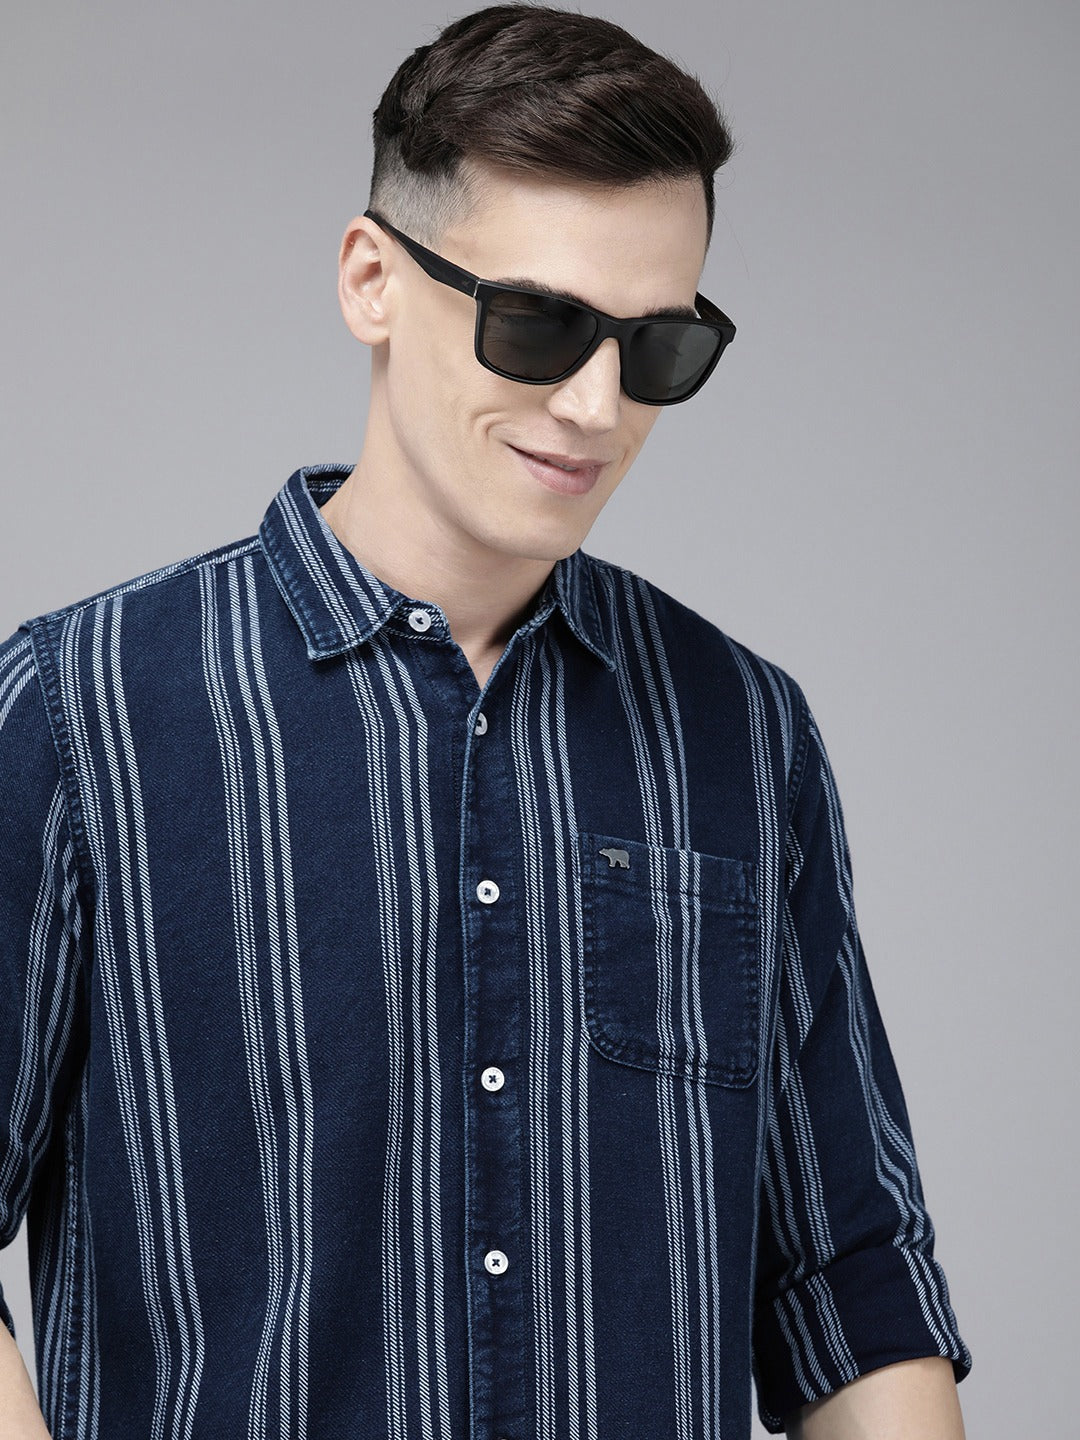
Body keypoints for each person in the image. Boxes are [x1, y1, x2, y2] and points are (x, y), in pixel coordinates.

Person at [0, 4, 972, 1436]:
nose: (595, 405)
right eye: (539, 324)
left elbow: (851, 1279)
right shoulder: (86, 709)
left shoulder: (742, 731)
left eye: (657, 347)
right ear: (371, 281)